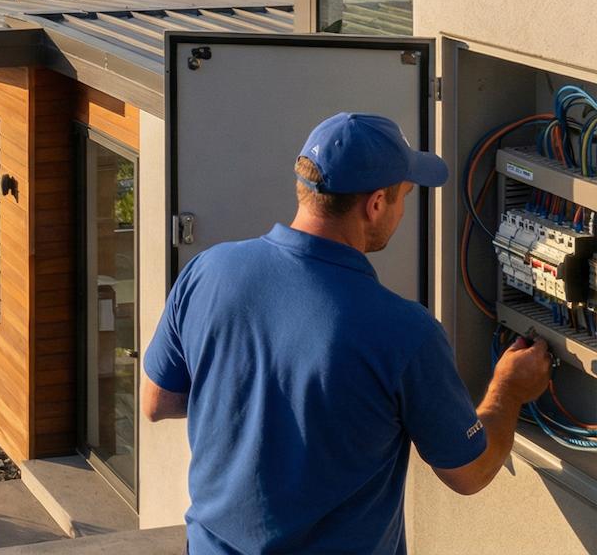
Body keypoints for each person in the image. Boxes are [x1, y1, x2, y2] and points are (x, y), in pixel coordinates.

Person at [141, 112, 552, 554]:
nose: (401, 211)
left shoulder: (208, 270)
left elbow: (156, 402)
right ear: (375, 204)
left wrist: (256, 403)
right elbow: (469, 472)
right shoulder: (405, 333)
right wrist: (509, 390)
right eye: (404, 197)